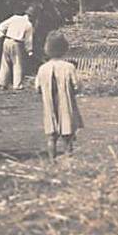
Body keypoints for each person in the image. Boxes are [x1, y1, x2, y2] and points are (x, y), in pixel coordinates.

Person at [35, 31, 84, 161]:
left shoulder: (42, 68)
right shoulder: (69, 67)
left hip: (49, 105)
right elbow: (77, 86)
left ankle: (52, 160)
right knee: (67, 135)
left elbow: (37, 88)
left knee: (51, 136)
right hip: (65, 104)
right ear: (64, 49)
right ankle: (69, 159)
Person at [0, 6, 37, 90]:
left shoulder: (14, 18)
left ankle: (2, 83)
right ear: (31, 16)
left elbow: (2, 25)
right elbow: (28, 40)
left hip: (6, 40)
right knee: (17, 63)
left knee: (5, 61)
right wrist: (29, 50)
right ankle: (17, 85)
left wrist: (1, 35)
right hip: (16, 43)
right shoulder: (28, 25)